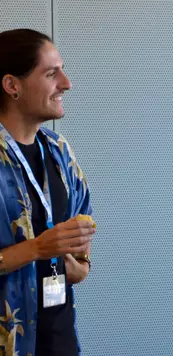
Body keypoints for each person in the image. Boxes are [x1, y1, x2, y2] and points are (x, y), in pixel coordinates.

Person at [0, 28, 96, 356]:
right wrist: (37, 249)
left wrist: (80, 263)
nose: (66, 84)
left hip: (60, 339)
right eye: (51, 74)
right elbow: (43, 247)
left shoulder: (59, 152)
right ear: (12, 85)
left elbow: (83, 232)